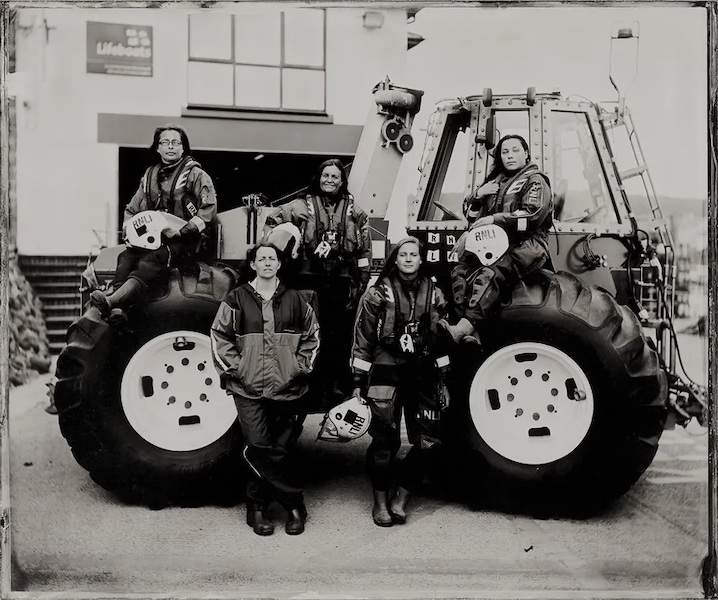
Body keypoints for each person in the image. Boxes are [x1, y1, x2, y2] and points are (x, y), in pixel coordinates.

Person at [210, 242, 320, 536]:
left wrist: (299, 367)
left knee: (280, 448)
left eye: (272, 258)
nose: (268, 263)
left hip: (288, 387)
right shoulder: (237, 298)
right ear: (254, 264)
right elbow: (219, 335)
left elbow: (312, 336)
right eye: (262, 259)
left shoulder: (296, 299)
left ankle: (255, 507)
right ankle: (293, 505)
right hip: (248, 388)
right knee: (258, 446)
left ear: (279, 264)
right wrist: (237, 369)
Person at [351, 237, 451, 527]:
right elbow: (363, 339)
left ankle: (402, 497)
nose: (408, 259)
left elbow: (442, 339)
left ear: (421, 259)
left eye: (414, 254)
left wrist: (444, 380)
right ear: (395, 260)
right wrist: (358, 382)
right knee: (384, 441)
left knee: (429, 441)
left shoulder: (435, 294)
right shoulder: (377, 294)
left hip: (423, 373)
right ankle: (380, 503)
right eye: (403, 254)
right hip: (385, 371)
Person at [263, 159, 372, 403]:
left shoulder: (356, 213)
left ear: (342, 181)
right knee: (310, 334)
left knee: (339, 337)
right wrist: (283, 250)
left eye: (335, 176)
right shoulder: (300, 207)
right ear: (318, 178)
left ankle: (334, 387)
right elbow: (271, 222)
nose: (330, 180)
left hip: (341, 283)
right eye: (326, 176)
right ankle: (307, 384)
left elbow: (364, 251)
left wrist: (361, 282)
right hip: (308, 282)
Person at [90, 124, 217, 323]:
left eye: (176, 142)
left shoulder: (195, 174)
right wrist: (130, 233)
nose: (171, 147)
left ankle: (113, 300)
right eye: (165, 142)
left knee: (152, 259)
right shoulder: (149, 176)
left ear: (183, 148)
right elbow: (132, 210)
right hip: (154, 239)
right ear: (157, 148)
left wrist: (184, 231)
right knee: (126, 256)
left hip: (187, 242)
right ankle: (117, 310)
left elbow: (208, 209)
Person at [442, 134, 553, 344]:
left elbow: (532, 216)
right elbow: (472, 217)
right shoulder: (495, 184)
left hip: (528, 245)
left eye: (515, 150)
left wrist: (495, 218)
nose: (509, 156)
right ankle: (470, 332)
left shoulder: (535, 180)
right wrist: (478, 195)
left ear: (526, 153)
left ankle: (462, 329)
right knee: (460, 272)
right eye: (505, 152)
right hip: (493, 244)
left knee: (490, 273)